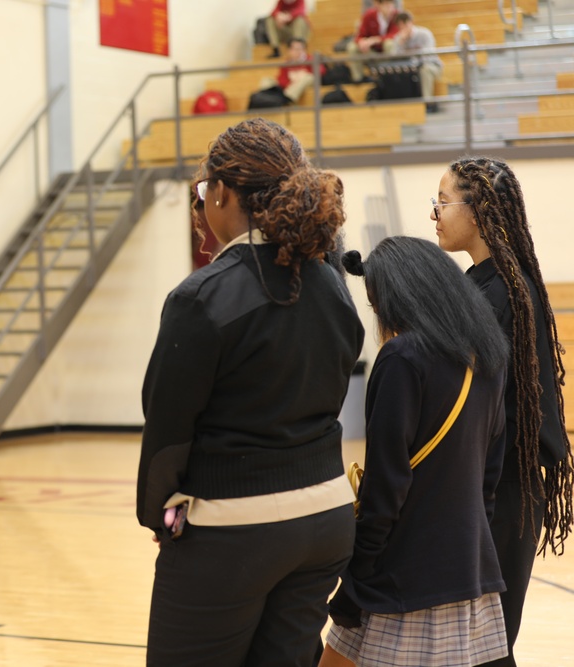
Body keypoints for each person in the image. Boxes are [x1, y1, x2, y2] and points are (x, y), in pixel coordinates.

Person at [137, 117, 365, 665]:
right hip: (326, 522)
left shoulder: (201, 296)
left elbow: (168, 429)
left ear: (220, 191)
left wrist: (158, 513)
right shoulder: (331, 282)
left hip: (234, 530)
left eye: (201, 190)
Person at [320, 237, 511, 667]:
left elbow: (386, 486)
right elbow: (488, 479)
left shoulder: (402, 358)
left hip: (403, 574)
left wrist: (357, 576)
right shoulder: (489, 357)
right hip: (466, 569)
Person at [433, 157, 574, 666]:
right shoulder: (484, 284)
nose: (435, 213)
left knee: (487, 649)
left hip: (504, 491)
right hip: (494, 487)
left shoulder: (502, 293)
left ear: (479, 211)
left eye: (443, 201)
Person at [390, 11, 444, 112]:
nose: (404, 29)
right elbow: (393, 58)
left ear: (411, 23)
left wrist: (413, 59)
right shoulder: (398, 38)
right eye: (400, 27)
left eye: (405, 25)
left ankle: (428, 104)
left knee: (425, 70)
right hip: (410, 68)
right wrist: (401, 43)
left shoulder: (424, 34)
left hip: (432, 66)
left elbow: (428, 56)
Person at [341, 0, 400, 83]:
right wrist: (362, 42)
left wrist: (375, 40)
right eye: (386, 4)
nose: (389, 8)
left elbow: (395, 35)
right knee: (352, 47)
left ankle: (388, 74)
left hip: (389, 51)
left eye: (391, 4)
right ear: (378, 5)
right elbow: (359, 36)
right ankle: (358, 79)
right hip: (372, 50)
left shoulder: (397, 16)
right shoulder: (369, 15)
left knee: (389, 43)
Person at [256, 38, 324, 105]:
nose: (298, 52)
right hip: (290, 86)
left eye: (301, 49)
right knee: (266, 80)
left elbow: (321, 71)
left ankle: (287, 99)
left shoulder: (310, 59)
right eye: (295, 49)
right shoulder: (287, 63)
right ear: (289, 50)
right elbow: (281, 79)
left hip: (305, 85)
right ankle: (265, 98)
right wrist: (292, 81)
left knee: (308, 77)